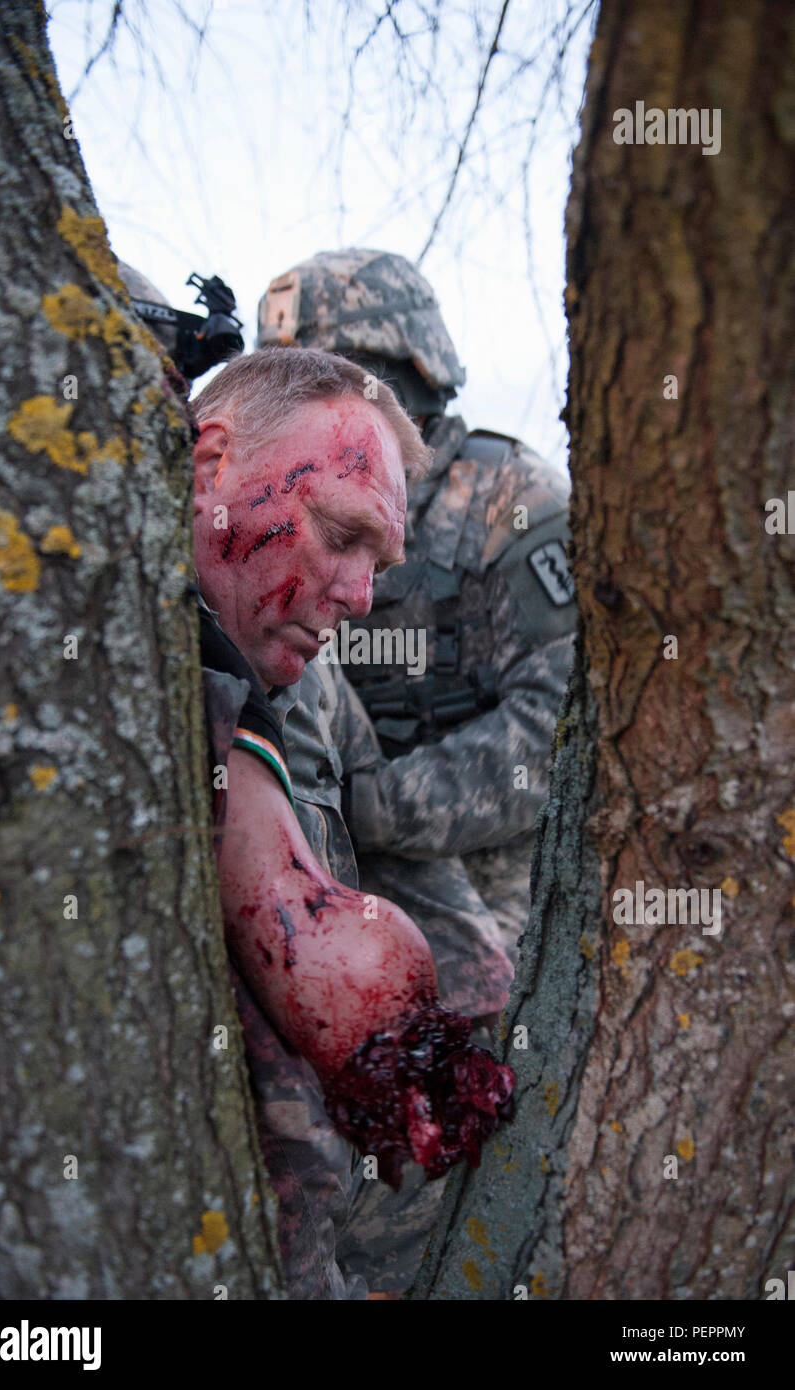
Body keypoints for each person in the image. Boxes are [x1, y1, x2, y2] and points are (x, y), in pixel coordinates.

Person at [257, 248, 577, 1293]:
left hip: (476, 900)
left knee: (454, 1155)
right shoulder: (283, 494)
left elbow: (557, 724)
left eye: (333, 372)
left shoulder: (508, 497)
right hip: (328, 886)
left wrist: (386, 805)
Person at [189, 346, 515, 1299]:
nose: (361, 596)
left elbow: (371, 824)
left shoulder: (299, 668)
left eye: (380, 559)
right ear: (210, 465)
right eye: (339, 533)